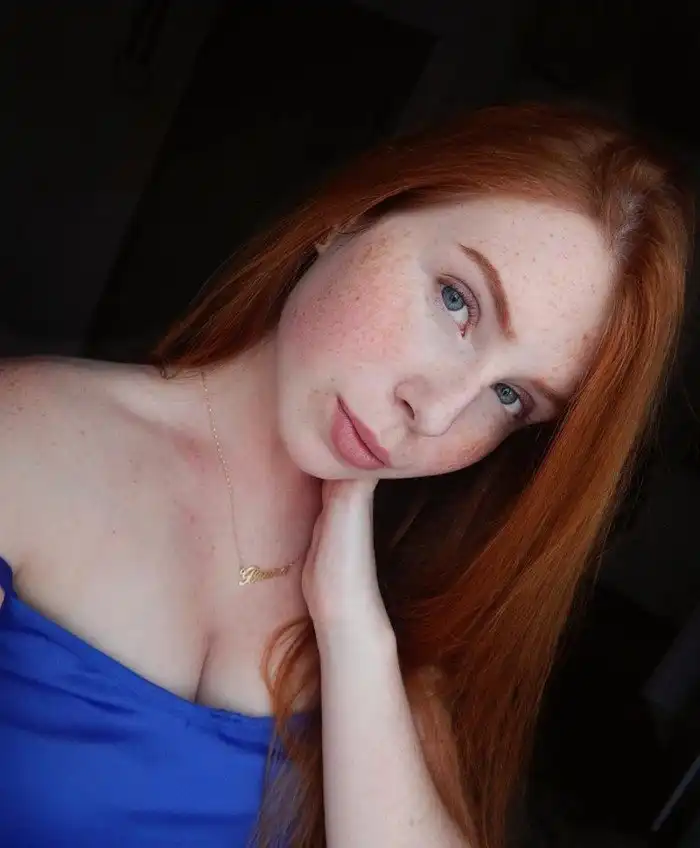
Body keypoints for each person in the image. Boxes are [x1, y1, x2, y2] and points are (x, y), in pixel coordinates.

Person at [0, 102, 692, 848]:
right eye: (456, 301)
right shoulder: (26, 437)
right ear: (356, 212)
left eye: (509, 396)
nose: (436, 413)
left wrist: (351, 628)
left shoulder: (406, 615)